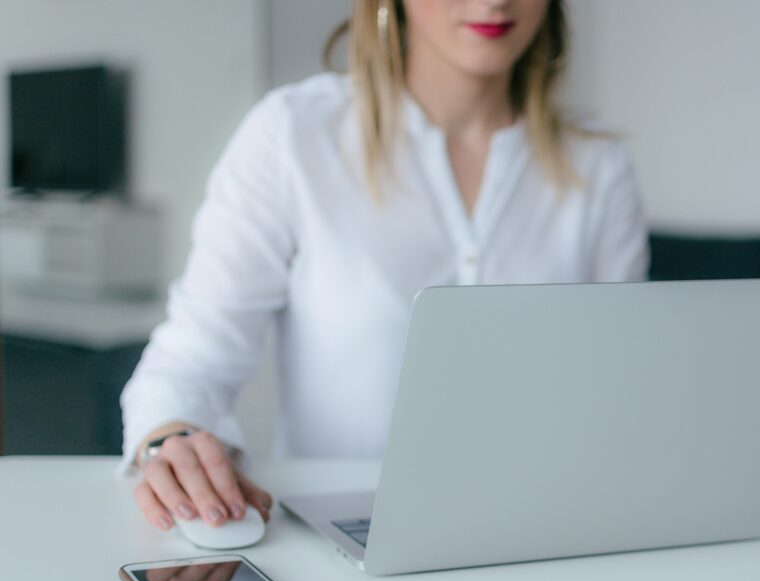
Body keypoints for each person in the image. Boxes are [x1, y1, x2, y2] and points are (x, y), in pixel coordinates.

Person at [120, 0, 649, 532]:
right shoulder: (293, 136)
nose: (494, 1)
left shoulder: (599, 168)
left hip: (542, 532)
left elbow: (621, 390)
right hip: (344, 536)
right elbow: (191, 361)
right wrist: (171, 441)